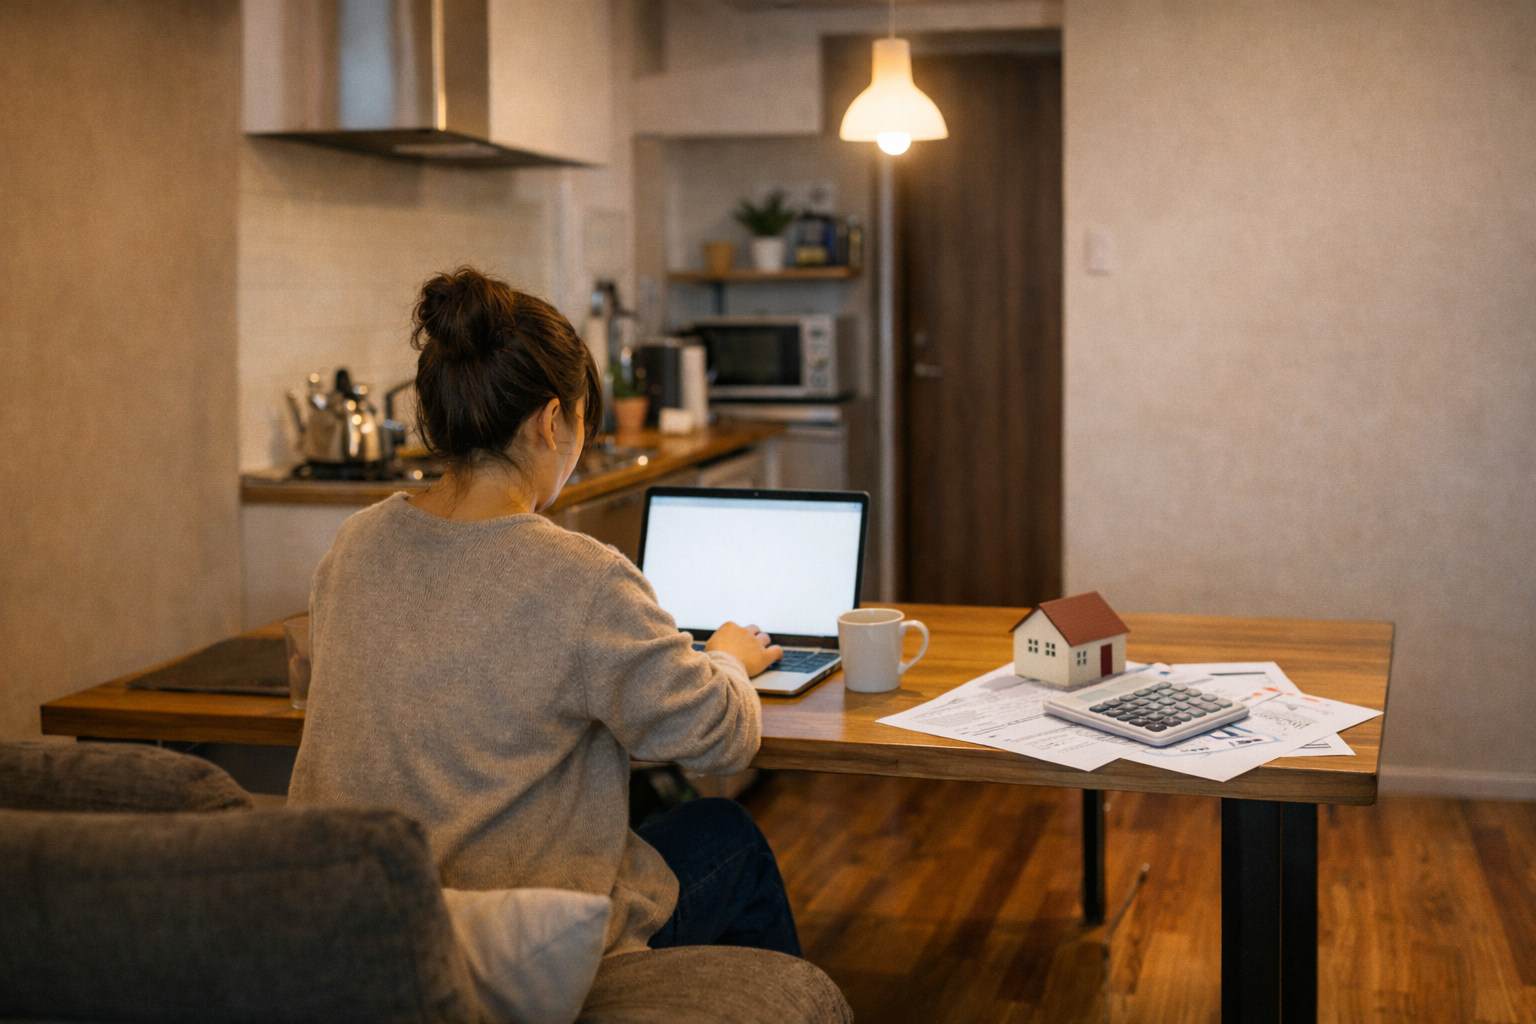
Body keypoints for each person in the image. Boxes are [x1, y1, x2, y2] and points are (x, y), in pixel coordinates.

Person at [288, 267, 801, 958]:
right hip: (510, 946)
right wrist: (728, 662)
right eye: (583, 424)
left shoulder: (356, 542)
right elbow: (719, 736)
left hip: (351, 933)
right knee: (725, 833)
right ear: (551, 421)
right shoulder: (581, 576)